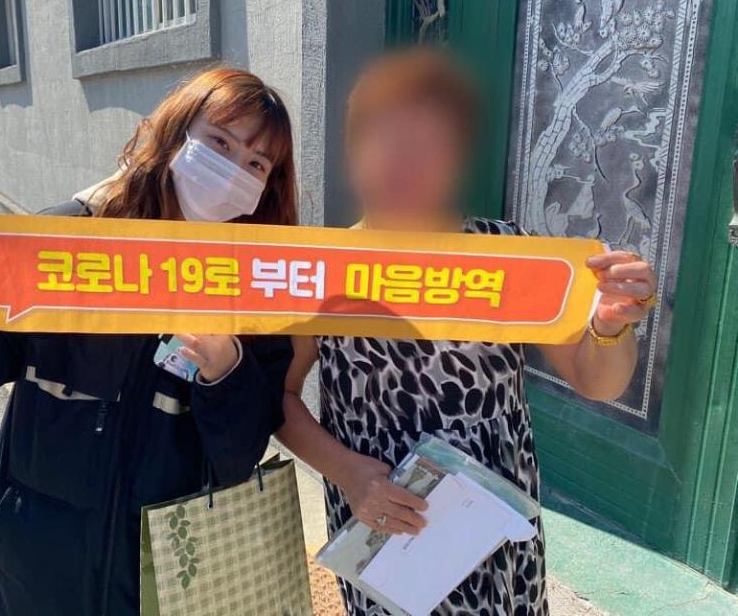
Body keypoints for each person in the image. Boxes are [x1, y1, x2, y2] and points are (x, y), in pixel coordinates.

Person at [0, 68, 298, 616]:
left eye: (256, 164)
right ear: (175, 134)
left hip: (169, 570)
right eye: (219, 143)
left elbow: (237, 457)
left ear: (267, 187)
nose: (231, 169)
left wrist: (226, 370)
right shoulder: (68, 242)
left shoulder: (258, 288)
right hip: (40, 562)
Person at [277, 47, 657, 616]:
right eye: (386, 141)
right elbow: (278, 397)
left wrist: (607, 326)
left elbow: (597, 381)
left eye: (430, 146)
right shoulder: (325, 271)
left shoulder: (510, 257)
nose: (405, 165)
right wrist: (348, 474)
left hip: (493, 530)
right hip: (383, 521)